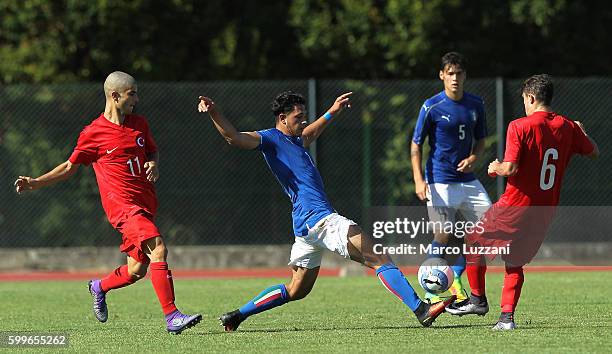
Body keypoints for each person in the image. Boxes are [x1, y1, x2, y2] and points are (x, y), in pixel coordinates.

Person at [197, 91, 456, 331]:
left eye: (303, 117)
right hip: (319, 218)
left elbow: (311, 132)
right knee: (378, 256)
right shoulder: (270, 139)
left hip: (305, 225)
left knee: (297, 290)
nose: (302, 122)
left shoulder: (296, 140)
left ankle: (237, 315)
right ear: (281, 119)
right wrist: (214, 112)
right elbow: (234, 137)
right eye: (297, 117)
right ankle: (422, 309)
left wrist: (333, 111)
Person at [14, 71, 201, 334]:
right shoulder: (94, 133)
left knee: (136, 270)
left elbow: (152, 150)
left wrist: (154, 164)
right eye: (132, 94)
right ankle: (172, 317)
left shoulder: (140, 124)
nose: (136, 98)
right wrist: (36, 182)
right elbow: (69, 166)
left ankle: (98, 287)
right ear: (114, 96)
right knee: (158, 249)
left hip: (145, 204)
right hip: (123, 207)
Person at [446, 74, 599, 330]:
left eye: (524, 101)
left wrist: (495, 168)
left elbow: (511, 168)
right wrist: (581, 131)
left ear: (530, 98)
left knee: (472, 240)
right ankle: (506, 319)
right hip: (544, 211)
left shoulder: (520, 126)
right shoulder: (568, 127)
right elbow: (594, 152)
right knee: (514, 262)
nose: (524, 106)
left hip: (515, 206)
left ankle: (477, 299)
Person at [411, 52, 492, 306]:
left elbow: (480, 141)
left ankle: (454, 277)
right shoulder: (431, 106)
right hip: (439, 181)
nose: (455, 78)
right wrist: (418, 179)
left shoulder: (476, 104)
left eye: (459, 73)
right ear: (442, 75)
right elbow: (416, 145)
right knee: (443, 234)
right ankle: (430, 290)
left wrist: (474, 159)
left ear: (464, 76)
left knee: (489, 232)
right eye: (450, 73)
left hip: (468, 180)